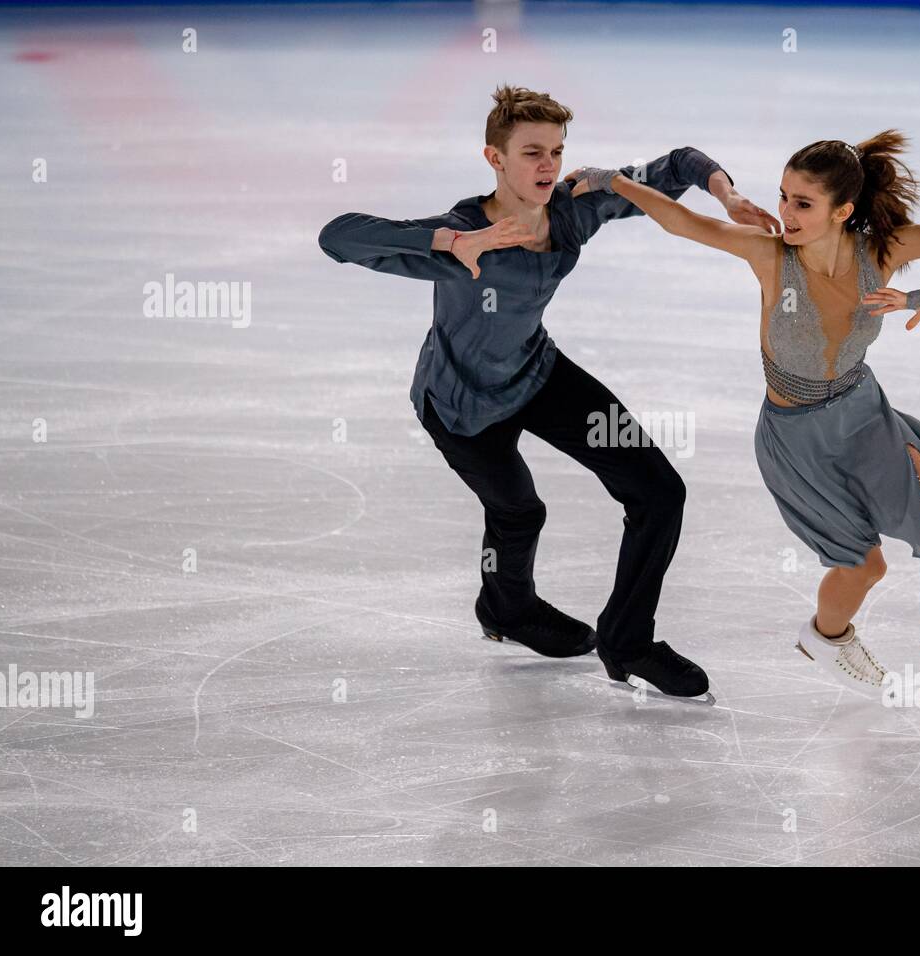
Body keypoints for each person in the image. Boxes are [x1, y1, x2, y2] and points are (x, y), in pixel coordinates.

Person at [318, 85, 776, 702]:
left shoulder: (573, 209)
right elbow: (339, 236)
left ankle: (628, 641)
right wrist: (451, 243)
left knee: (659, 492)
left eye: (556, 152)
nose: (547, 166)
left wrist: (728, 194)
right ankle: (507, 610)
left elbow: (680, 163)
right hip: (461, 403)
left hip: (537, 374)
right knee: (518, 512)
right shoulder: (460, 234)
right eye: (531, 152)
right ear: (494, 159)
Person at [562, 131, 920, 734]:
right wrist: (614, 181)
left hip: (864, 414)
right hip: (796, 438)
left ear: (842, 210)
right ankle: (827, 639)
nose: (786, 212)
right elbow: (682, 222)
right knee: (864, 568)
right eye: (784, 197)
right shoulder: (770, 255)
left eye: (803, 203)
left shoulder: (879, 252)